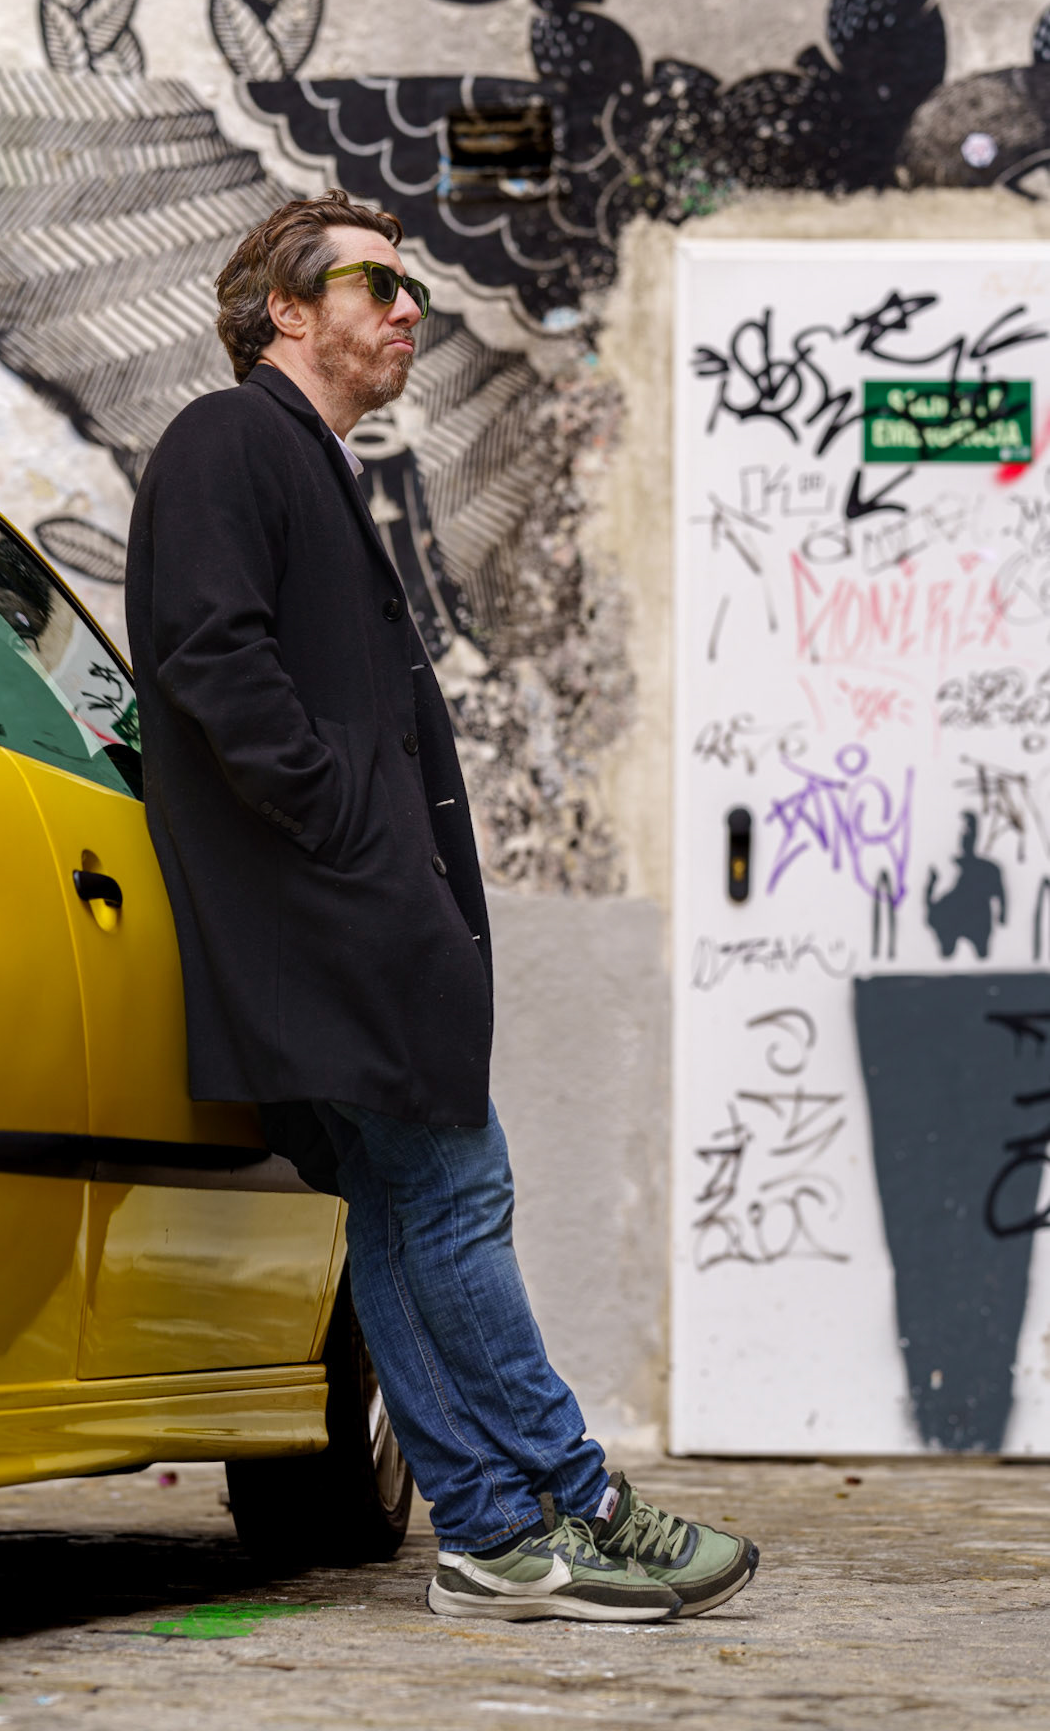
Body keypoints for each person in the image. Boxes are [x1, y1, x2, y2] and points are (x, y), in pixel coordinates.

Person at [126, 190, 759, 1625]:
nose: (410, 307)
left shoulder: (304, 461)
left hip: (336, 913)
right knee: (458, 1194)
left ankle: (486, 1533)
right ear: (288, 311)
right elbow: (210, 657)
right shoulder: (231, 438)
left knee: (405, 1212)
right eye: (375, 284)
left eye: (409, 288)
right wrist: (346, 828)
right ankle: (582, 1502)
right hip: (328, 916)